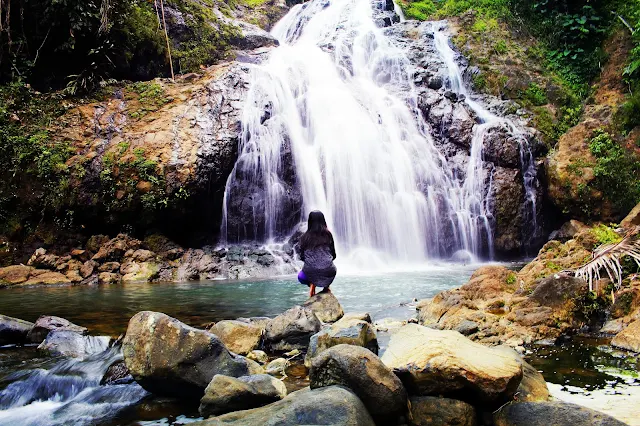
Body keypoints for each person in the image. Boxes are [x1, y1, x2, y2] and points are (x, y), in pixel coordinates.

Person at [297, 210, 337, 297]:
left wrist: (313, 261)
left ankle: (312, 284)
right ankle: (326, 286)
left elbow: (302, 257)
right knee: (328, 268)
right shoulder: (328, 235)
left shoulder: (304, 237)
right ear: (323, 221)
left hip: (310, 271)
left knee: (301, 276)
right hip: (329, 271)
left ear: (310, 222)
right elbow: (334, 255)